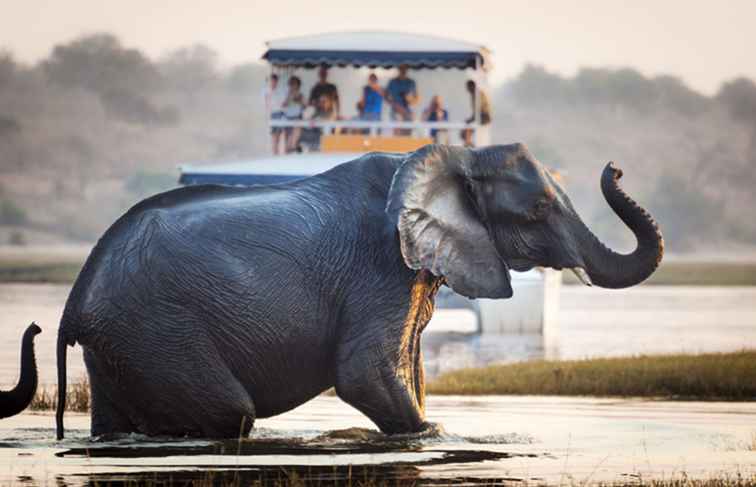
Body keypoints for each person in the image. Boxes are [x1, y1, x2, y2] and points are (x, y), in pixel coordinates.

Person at [385, 64, 418, 135]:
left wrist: (410, 100)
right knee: (397, 130)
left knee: (408, 131)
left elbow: (417, 98)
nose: (403, 71)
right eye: (401, 69)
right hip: (396, 111)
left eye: (405, 69)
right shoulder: (392, 82)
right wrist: (394, 104)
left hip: (407, 111)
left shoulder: (411, 82)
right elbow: (386, 96)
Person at [461, 80, 492, 147]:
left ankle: (468, 144)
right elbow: (476, 111)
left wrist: (471, 119)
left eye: (468, 87)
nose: (467, 89)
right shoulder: (473, 94)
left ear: (472, 86)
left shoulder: (478, 94)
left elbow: (480, 109)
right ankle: (468, 143)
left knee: (467, 128)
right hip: (479, 116)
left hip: (484, 116)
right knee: (464, 130)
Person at [263, 74, 286, 155]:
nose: (273, 83)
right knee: (273, 135)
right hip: (272, 114)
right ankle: (274, 152)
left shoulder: (280, 91)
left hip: (279, 113)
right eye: (271, 81)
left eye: (274, 81)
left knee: (278, 135)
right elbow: (266, 104)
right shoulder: (267, 91)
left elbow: (283, 104)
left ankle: (277, 152)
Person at [282, 76, 305, 153]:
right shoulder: (286, 94)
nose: (293, 86)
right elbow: (283, 105)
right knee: (287, 137)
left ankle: (293, 148)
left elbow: (305, 105)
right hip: (288, 117)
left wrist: (298, 99)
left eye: (295, 84)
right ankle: (288, 150)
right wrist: (289, 97)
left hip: (297, 117)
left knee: (295, 135)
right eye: (292, 84)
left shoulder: (300, 95)